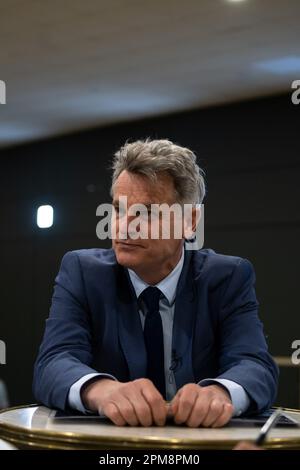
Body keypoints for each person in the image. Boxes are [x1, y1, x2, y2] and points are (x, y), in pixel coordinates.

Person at [33, 139, 278, 428]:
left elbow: (256, 366)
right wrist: (103, 391)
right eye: (118, 209)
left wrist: (219, 393)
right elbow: (52, 364)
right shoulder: (83, 272)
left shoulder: (228, 277)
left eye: (147, 212)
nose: (124, 225)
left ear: (190, 221)